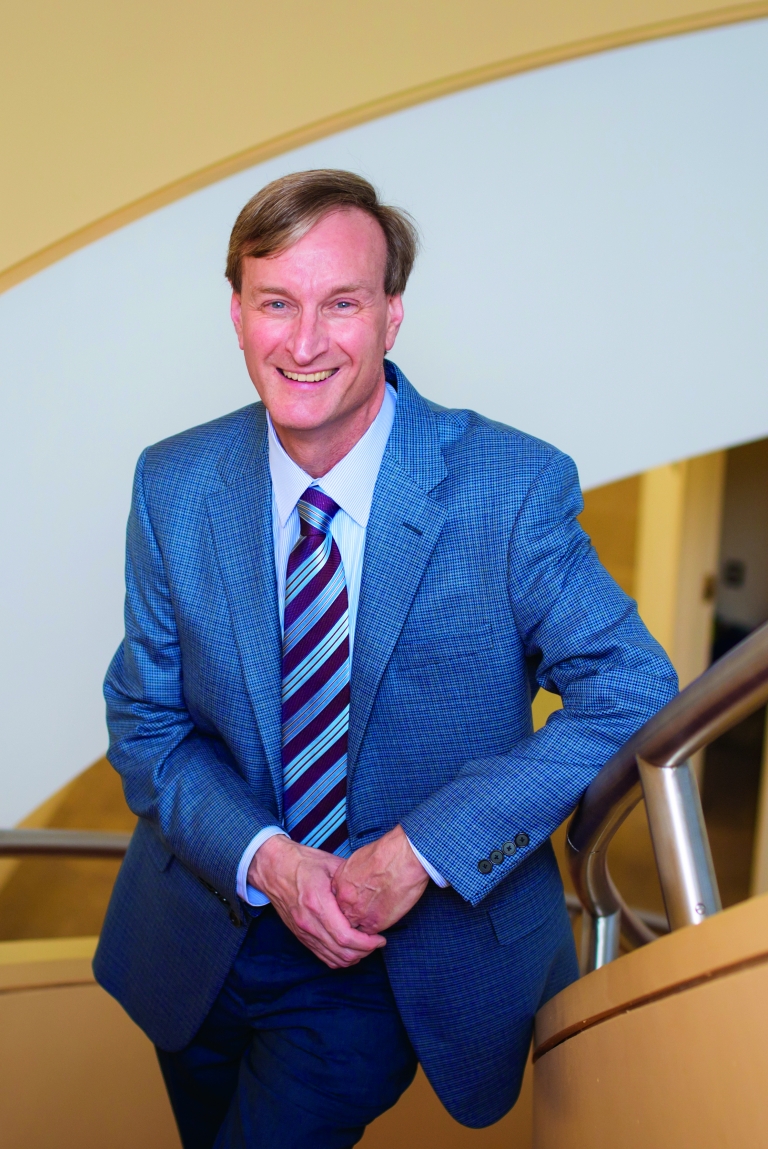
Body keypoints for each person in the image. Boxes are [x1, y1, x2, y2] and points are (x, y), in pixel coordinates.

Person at [94, 169, 677, 1148]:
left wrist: (421, 853)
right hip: (200, 941)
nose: (306, 341)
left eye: (343, 303)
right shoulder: (175, 483)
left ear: (393, 316)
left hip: (382, 966)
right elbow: (147, 724)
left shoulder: (511, 487)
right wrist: (270, 863)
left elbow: (632, 690)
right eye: (276, 302)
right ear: (236, 313)